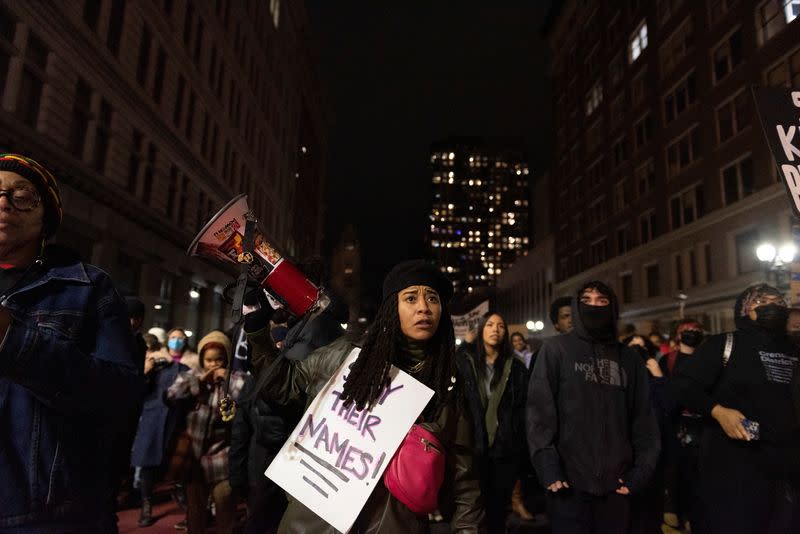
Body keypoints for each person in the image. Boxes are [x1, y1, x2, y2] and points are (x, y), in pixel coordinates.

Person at [247, 259, 485, 532]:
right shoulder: (344, 356)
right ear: (391, 308)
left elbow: (464, 485)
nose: (424, 307)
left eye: (433, 298)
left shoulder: (447, 386)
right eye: (411, 298)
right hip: (312, 525)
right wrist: (257, 332)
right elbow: (284, 386)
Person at [0, 153, 141, 531]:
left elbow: (120, 394)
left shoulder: (87, 288)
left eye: (22, 195)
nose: (3, 203)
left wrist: (14, 340)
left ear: (45, 216)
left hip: (45, 517)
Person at [527, 280, 660, 534]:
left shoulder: (629, 358)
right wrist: (548, 465)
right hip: (567, 483)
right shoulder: (556, 350)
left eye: (602, 301)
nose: (594, 305)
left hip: (617, 485)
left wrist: (641, 471)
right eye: (586, 300)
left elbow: (643, 418)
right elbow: (540, 412)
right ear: (577, 307)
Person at [671, 284, 800, 533]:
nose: (771, 306)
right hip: (734, 466)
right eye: (761, 302)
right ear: (743, 309)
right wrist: (718, 411)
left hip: (787, 467)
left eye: (778, 302)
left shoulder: (794, 350)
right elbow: (682, 386)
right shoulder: (724, 344)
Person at [166, 330, 246, 534]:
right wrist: (201, 381)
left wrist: (226, 380)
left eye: (219, 359)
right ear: (202, 359)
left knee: (225, 506)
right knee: (195, 510)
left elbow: (242, 398)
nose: (214, 364)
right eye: (209, 360)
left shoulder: (236, 379)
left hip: (222, 457)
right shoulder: (191, 376)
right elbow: (171, 395)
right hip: (194, 458)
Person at [461, 312, 529, 531]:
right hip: (473, 446)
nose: (495, 329)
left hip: (504, 448)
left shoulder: (516, 367)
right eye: (489, 324)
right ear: (481, 330)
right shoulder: (467, 362)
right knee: (472, 506)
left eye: (500, 326)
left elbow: (523, 408)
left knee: (498, 507)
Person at [130, 330, 192, 526]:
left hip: (176, 419)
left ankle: (183, 498)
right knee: (147, 462)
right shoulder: (157, 362)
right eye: (173, 337)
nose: (176, 341)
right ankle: (146, 506)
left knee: (176, 463)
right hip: (152, 416)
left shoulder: (190, 366)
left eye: (180, 338)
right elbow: (140, 387)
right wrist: (146, 370)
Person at [659, 319, 705, 532]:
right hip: (676, 425)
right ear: (678, 335)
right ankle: (675, 510)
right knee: (675, 469)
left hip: (702, 424)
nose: (691, 333)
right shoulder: (669, 360)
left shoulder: (709, 358)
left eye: (695, 330)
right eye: (686, 331)